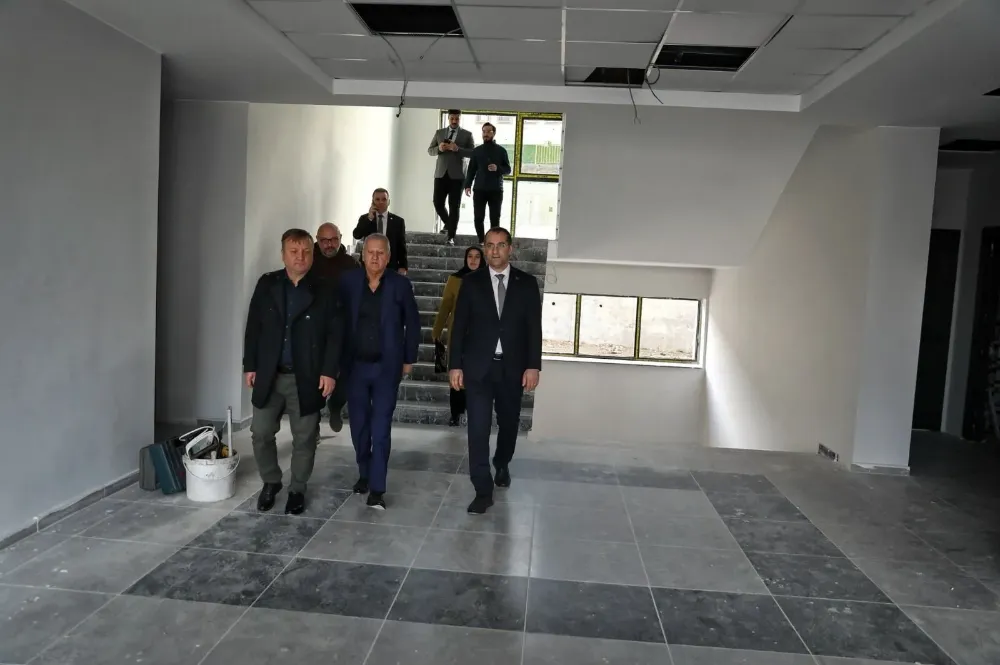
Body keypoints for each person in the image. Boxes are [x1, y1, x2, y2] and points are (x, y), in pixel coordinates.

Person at [243, 228, 344, 515]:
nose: (300, 257)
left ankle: (297, 488)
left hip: (307, 376)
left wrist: (329, 371)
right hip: (269, 374)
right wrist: (250, 365)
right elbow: (254, 327)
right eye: (294, 251)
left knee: (305, 437)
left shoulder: (326, 288)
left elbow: (335, 334)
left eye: (306, 252)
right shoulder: (268, 284)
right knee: (260, 432)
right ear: (283, 254)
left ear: (313, 254)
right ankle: (271, 481)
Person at [449, 227, 542, 514]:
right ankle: (482, 489)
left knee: (509, 423)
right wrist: (455, 365)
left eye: (501, 245)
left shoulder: (527, 284)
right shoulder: (471, 282)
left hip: (512, 368)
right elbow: (459, 326)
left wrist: (533, 365)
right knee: (477, 429)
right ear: (484, 248)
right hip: (478, 368)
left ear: (510, 248)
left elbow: (533, 329)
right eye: (489, 245)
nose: (495, 250)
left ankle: (502, 462)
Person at [338, 234, 421, 510]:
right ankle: (364, 472)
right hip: (355, 368)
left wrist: (408, 358)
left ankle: (377, 488)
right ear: (363, 255)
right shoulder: (348, 282)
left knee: (381, 428)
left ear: (388, 256)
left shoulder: (400, 285)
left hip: (387, 367)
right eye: (370, 252)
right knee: (359, 427)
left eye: (380, 253)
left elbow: (413, 323)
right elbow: (337, 322)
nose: (375, 257)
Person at [311, 222, 360, 432]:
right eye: (324, 240)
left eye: (333, 240)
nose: (329, 244)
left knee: (347, 377)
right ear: (317, 240)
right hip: (315, 331)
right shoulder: (309, 262)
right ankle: (312, 425)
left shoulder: (351, 265)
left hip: (346, 330)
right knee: (313, 381)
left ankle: (335, 406)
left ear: (340, 238)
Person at [432, 246, 483, 426]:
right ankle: (456, 413)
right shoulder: (455, 280)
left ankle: (473, 411)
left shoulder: (487, 279)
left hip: (480, 335)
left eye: (477, 257)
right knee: (456, 373)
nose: (473, 260)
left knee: (474, 374)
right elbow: (445, 306)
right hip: (457, 333)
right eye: (470, 256)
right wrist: (437, 331)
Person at [428, 109, 475, 245]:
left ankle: (451, 236)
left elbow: (473, 153)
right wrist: (439, 149)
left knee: (454, 206)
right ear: (448, 118)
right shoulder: (439, 133)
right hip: (440, 174)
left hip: (457, 176)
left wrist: (457, 149)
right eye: (452, 118)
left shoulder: (467, 134)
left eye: (457, 119)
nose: (454, 121)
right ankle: (450, 224)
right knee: (437, 203)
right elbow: (430, 150)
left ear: (460, 119)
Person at [464, 122, 511, 243]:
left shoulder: (501, 151)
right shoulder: (477, 151)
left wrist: (497, 168)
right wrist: (467, 185)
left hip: (496, 190)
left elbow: (508, 169)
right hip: (479, 189)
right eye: (484, 131)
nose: (486, 134)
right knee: (478, 218)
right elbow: (471, 169)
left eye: (489, 131)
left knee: (495, 218)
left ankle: (492, 242)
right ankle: (481, 241)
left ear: (494, 133)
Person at [353, 188, 408, 275]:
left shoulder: (398, 221)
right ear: (373, 201)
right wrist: (369, 218)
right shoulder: (365, 218)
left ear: (389, 201)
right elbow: (357, 235)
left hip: (390, 265)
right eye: (377, 199)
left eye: (384, 199)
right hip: (369, 265)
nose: (381, 202)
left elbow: (401, 245)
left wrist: (403, 266)